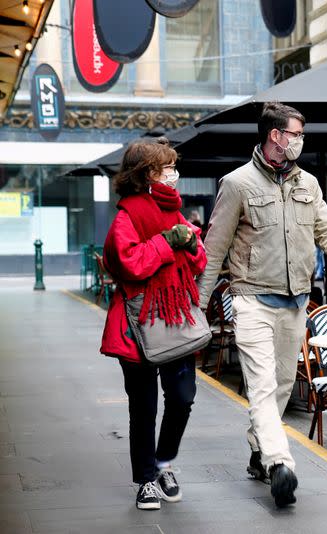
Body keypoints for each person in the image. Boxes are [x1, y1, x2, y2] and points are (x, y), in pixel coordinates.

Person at [196, 102, 327, 508]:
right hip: (251, 299)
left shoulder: (308, 182)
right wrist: (197, 307)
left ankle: (258, 452)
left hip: (295, 302)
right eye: (296, 134)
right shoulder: (237, 184)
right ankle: (279, 465)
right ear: (276, 136)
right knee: (261, 385)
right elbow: (213, 250)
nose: (300, 142)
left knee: (283, 387)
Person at [99, 138, 207, 510]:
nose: (174, 175)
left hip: (175, 319)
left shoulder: (175, 212)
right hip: (136, 327)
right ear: (148, 175)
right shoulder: (126, 217)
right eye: (167, 169)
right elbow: (129, 264)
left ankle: (163, 462)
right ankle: (146, 479)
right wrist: (167, 243)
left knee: (183, 399)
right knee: (143, 408)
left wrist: (191, 246)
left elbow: (199, 261)